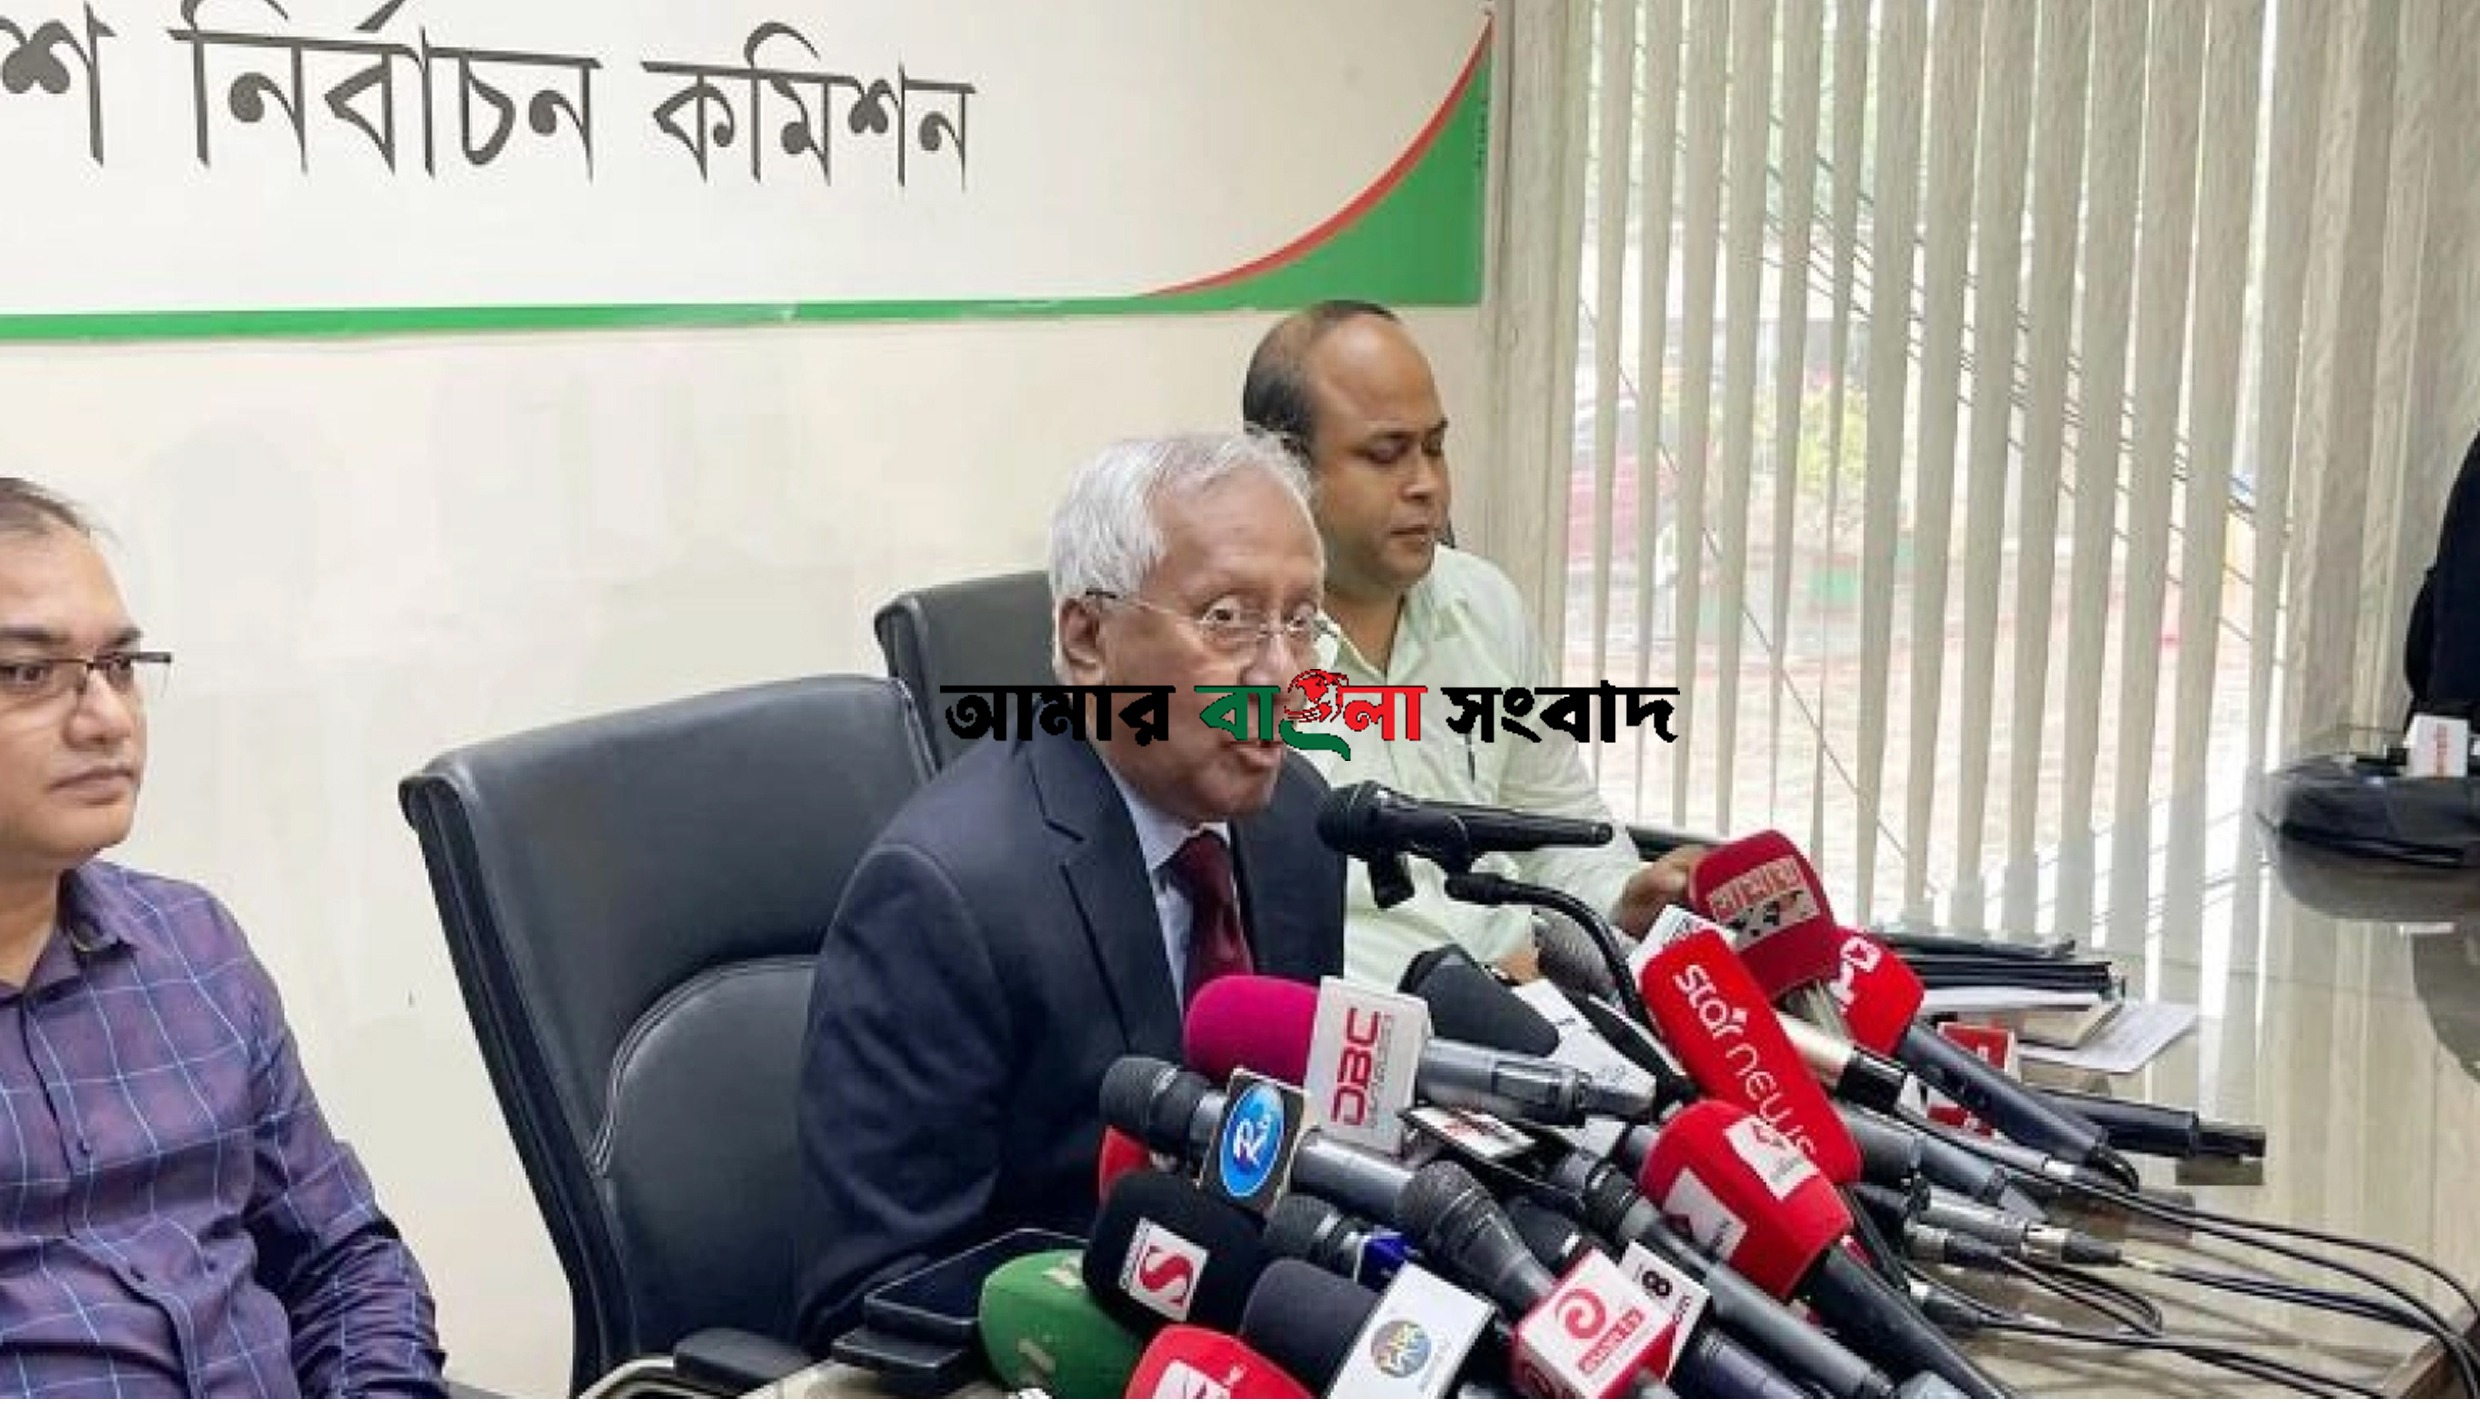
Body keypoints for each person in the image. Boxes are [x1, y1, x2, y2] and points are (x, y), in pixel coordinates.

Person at [793, 432, 1346, 1349]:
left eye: (1302, 622)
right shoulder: (944, 897)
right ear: (1088, 638)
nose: (1283, 673)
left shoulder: (1297, 824)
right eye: (1228, 619)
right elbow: (873, 1298)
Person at [0, 480, 445, 1397]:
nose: (107, 719)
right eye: (28, 675)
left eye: (120, 665)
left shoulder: (190, 947)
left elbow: (347, 1262)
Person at [1243, 301, 1707, 988]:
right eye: (1386, 455)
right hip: (1360, 1029)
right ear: (1284, 467)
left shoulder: (1483, 604)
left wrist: (1627, 897)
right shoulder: (1235, 660)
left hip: (1535, 1001)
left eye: (1434, 447)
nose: (1427, 485)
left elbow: (1556, 821)